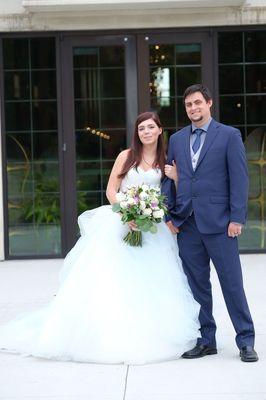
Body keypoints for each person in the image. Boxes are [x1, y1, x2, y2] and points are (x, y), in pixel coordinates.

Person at [0, 112, 200, 365]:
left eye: (151, 127)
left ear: (160, 130)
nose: (146, 132)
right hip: (122, 223)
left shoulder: (167, 159)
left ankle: (145, 329)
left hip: (152, 227)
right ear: (137, 133)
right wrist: (129, 212)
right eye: (141, 128)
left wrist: (176, 178)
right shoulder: (126, 156)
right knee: (115, 278)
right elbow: (111, 191)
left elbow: (177, 191)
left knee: (151, 279)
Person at [162, 84, 258, 362]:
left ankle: (245, 340)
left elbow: (240, 179)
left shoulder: (229, 135)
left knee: (232, 284)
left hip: (220, 224)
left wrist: (236, 218)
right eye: (188, 105)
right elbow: (170, 179)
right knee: (197, 287)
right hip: (187, 225)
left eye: (197, 103)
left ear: (209, 103)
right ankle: (207, 340)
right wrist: (170, 216)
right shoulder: (178, 139)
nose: (193, 108)